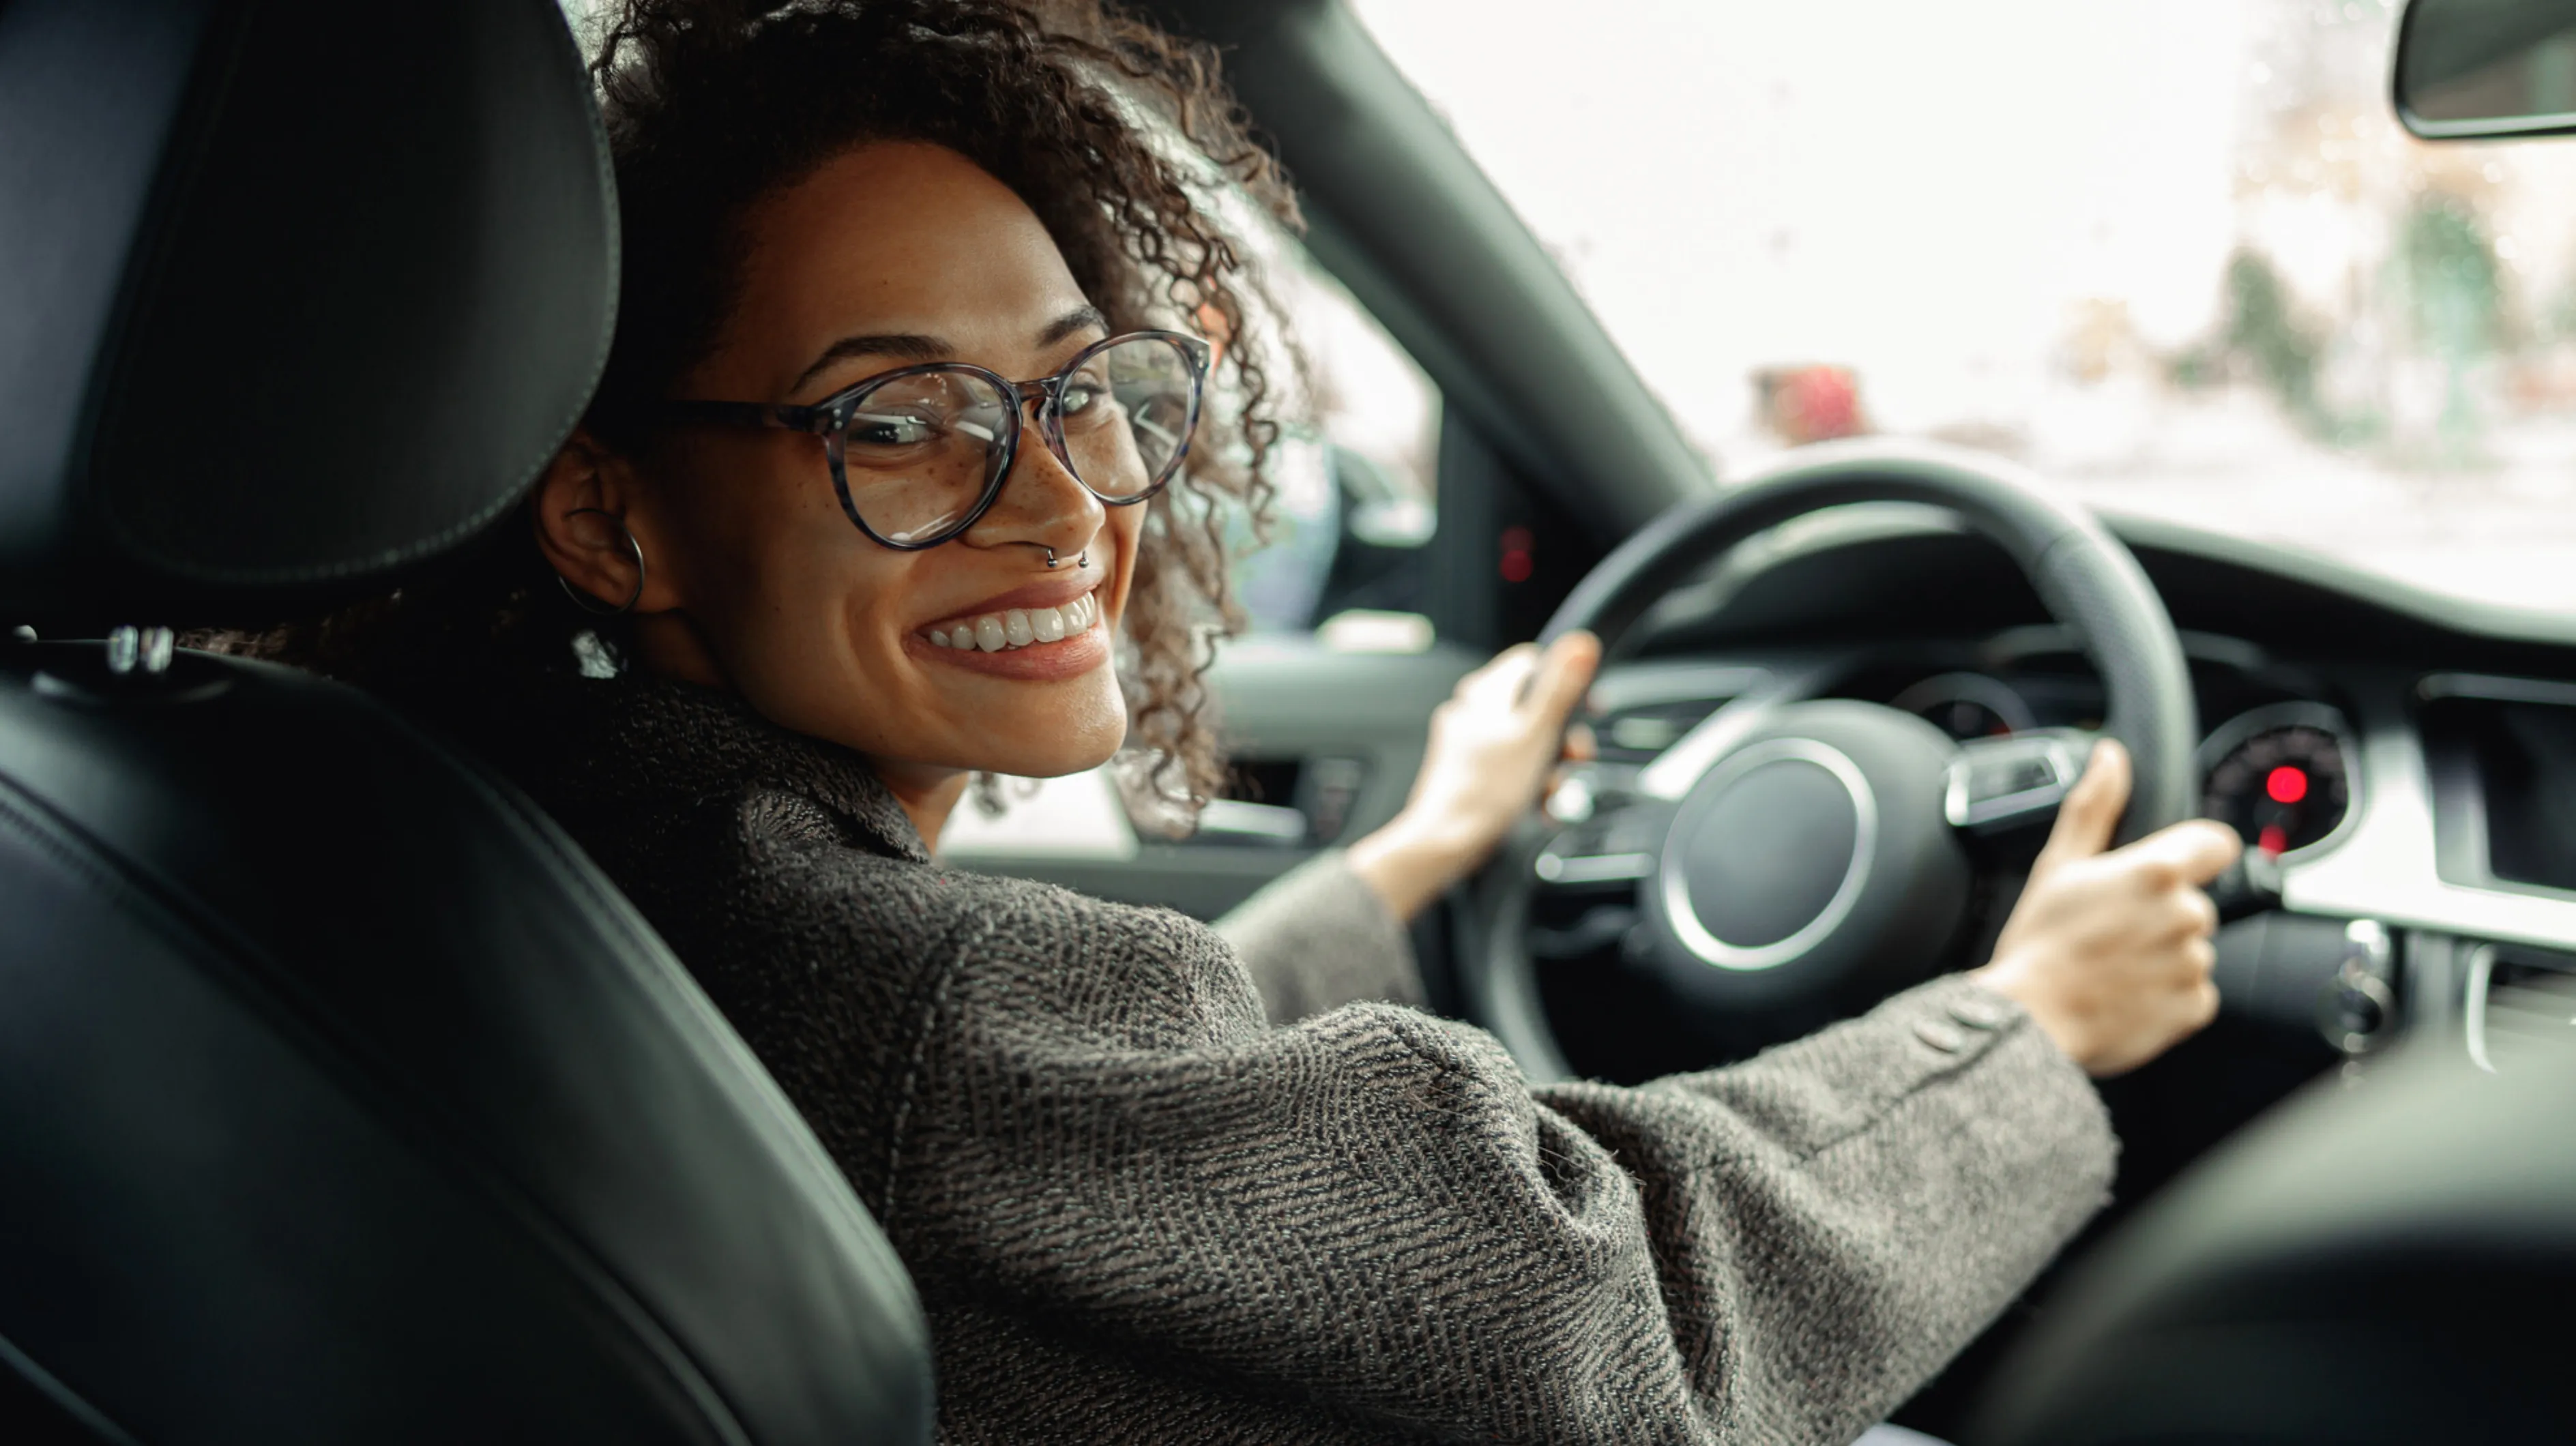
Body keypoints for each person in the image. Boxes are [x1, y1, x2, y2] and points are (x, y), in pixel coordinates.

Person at [222, 1, 2240, 1439]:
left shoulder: (492, 844)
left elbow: (1098, 1140)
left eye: (1081, 385)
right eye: (899, 422)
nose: (1062, 499)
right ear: (609, 514)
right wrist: (2025, 1028)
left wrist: (1402, 867)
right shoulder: (902, 1001)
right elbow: (1600, 1313)